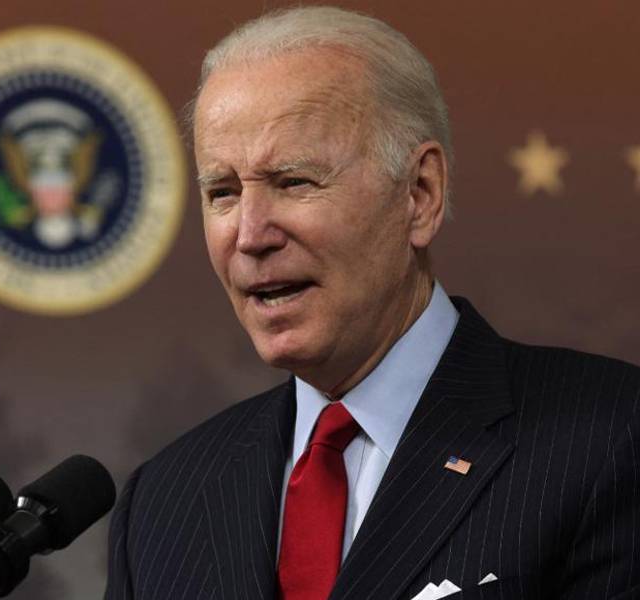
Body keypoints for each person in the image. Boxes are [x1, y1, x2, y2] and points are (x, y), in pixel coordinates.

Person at [106, 7, 640, 600]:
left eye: (294, 181)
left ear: (419, 194)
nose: (250, 234)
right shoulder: (162, 503)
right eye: (222, 193)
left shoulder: (612, 437)